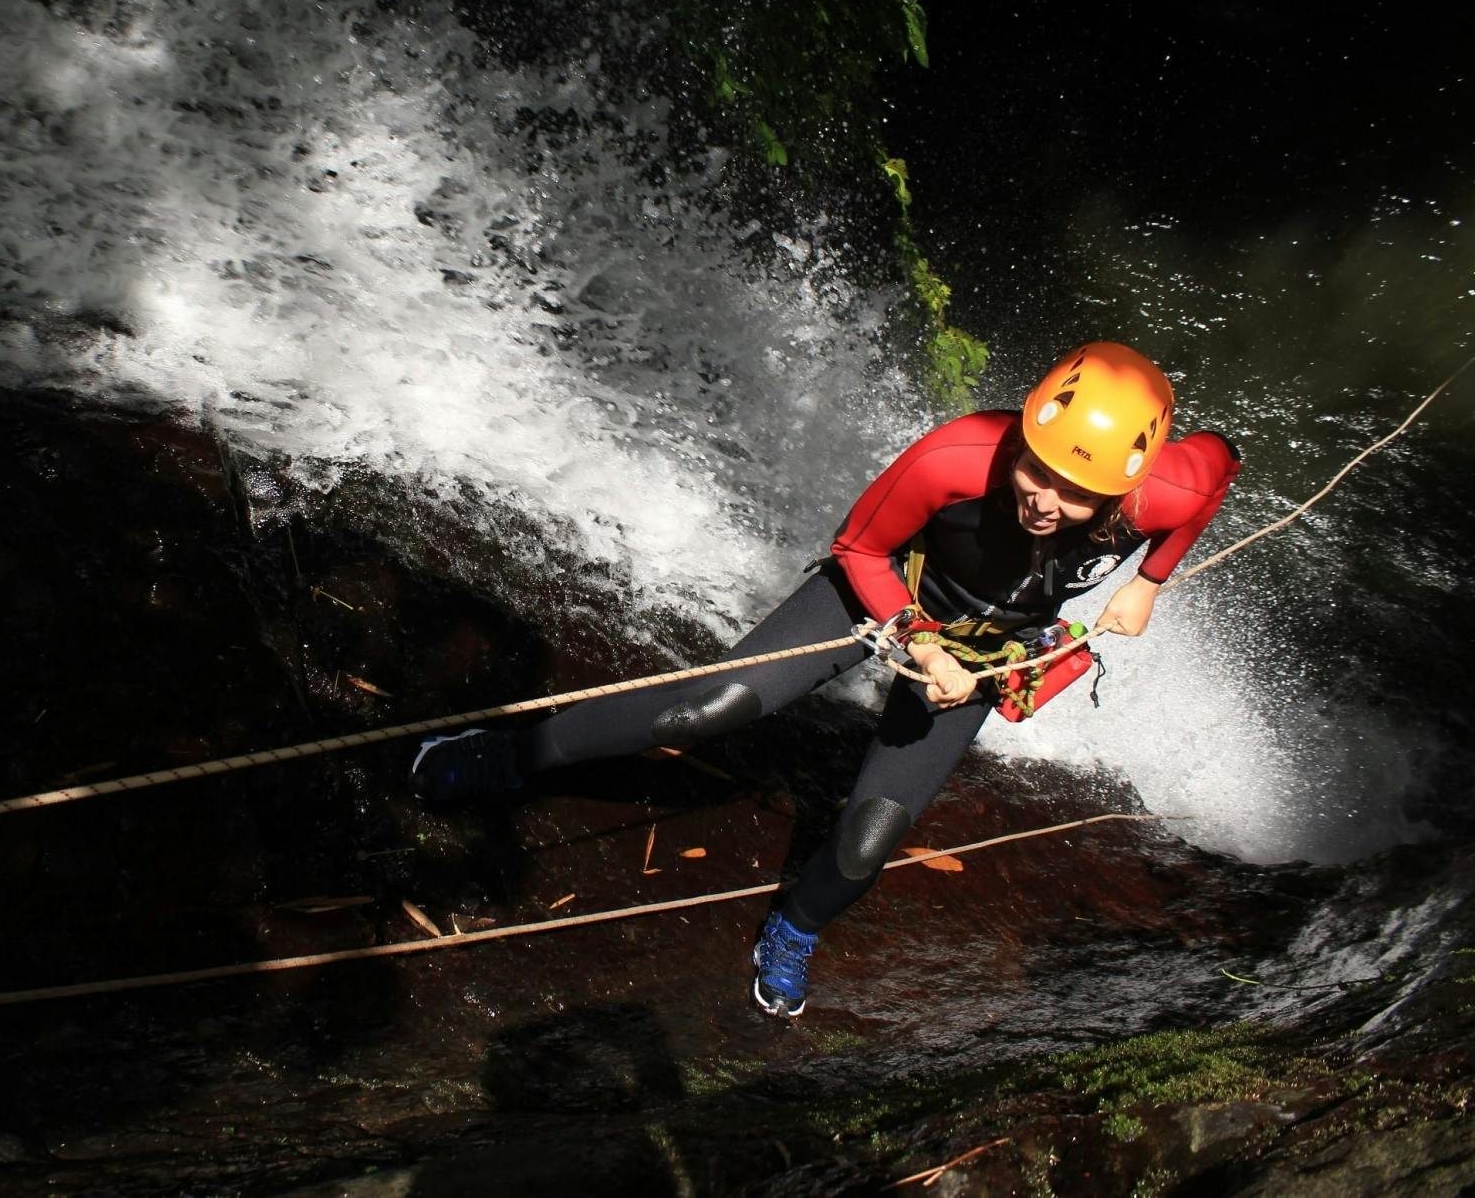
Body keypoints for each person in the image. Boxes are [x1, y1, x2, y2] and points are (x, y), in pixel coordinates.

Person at [408, 342, 1241, 1016]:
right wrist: (918, 641)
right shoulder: (954, 457)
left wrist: (1151, 579)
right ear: (1022, 434)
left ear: (1129, 486)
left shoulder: (1164, 490)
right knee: (708, 707)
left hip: (988, 646)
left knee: (869, 834)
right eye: (1038, 469)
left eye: (1078, 491)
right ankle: (513, 755)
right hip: (882, 597)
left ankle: (796, 926)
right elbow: (858, 549)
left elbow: (1220, 468)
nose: (1045, 501)